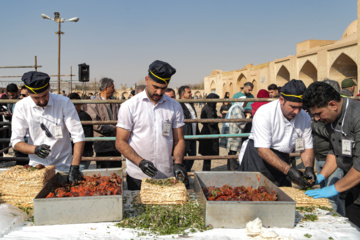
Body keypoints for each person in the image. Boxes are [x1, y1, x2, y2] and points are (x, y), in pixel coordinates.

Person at [116, 60, 188, 190]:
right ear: (146, 80)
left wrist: (178, 163)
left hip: (166, 175)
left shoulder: (174, 106)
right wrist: (140, 162)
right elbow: (120, 142)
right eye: (156, 87)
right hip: (138, 175)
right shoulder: (129, 106)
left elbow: (179, 140)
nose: (159, 93)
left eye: (163, 88)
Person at [10, 71, 85, 183]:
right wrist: (35, 149)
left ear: (49, 87)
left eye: (45, 95)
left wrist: (74, 167)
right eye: (36, 98)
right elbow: (16, 142)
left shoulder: (64, 103)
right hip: (37, 169)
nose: (41, 101)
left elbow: (78, 137)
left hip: (63, 166)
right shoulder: (21, 107)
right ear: (28, 93)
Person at [303, 82, 360, 227]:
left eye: (318, 113)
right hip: (354, 189)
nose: (316, 119)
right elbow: (335, 152)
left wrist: (334, 188)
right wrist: (321, 176)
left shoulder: (357, 117)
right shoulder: (331, 119)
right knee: (352, 229)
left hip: (355, 177)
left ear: (333, 105)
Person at [239, 79, 315, 187]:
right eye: (293, 107)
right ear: (281, 100)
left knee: (282, 196)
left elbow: (307, 147)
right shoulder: (265, 113)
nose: (297, 112)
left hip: (282, 159)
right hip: (258, 158)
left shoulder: (304, 117)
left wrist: (309, 168)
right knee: (253, 195)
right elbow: (263, 150)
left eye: (300, 107)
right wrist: (288, 170)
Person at [311, 79, 345, 215]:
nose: (318, 117)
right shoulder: (326, 115)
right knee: (329, 197)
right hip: (324, 159)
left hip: (335, 162)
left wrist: (314, 125)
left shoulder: (340, 118)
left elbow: (331, 135)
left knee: (331, 198)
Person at [86, 77, 122, 169]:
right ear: (106, 88)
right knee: (103, 172)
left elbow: (121, 118)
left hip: (116, 144)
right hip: (102, 144)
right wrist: (113, 129)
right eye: (112, 87)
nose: (114, 90)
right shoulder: (93, 104)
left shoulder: (115, 103)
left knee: (117, 170)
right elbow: (96, 124)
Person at [220, 96, 248, 170]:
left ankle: (230, 167)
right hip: (234, 132)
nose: (246, 103)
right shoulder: (237, 109)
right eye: (245, 102)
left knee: (232, 151)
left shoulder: (236, 107)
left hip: (233, 131)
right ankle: (233, 168)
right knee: (233, 151)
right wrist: (247, 118)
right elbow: (240, 121)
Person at [68, 93, 94, 171]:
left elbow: (86, 137)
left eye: (73, 105)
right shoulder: (70, 116)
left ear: (79, 104)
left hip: (82, 154)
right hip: (76, 154)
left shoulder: (83, 117)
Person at [178, 85, 199, 172]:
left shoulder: (191, 104)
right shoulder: (179, 105)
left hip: (193, 136)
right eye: (189, 92)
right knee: (183, 157)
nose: (191, 94)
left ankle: (186, 172)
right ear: (183, 94)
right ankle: (183, 174)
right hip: (185, 136)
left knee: (192, 156)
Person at [199, 93, 220, 171]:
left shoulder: (208, 107)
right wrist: (218, 119)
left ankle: (207, 171)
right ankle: (206, 172)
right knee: (207, 155)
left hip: (209, 132)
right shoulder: (208, 109)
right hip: (209, 133)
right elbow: (211, 121)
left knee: (208, 156)